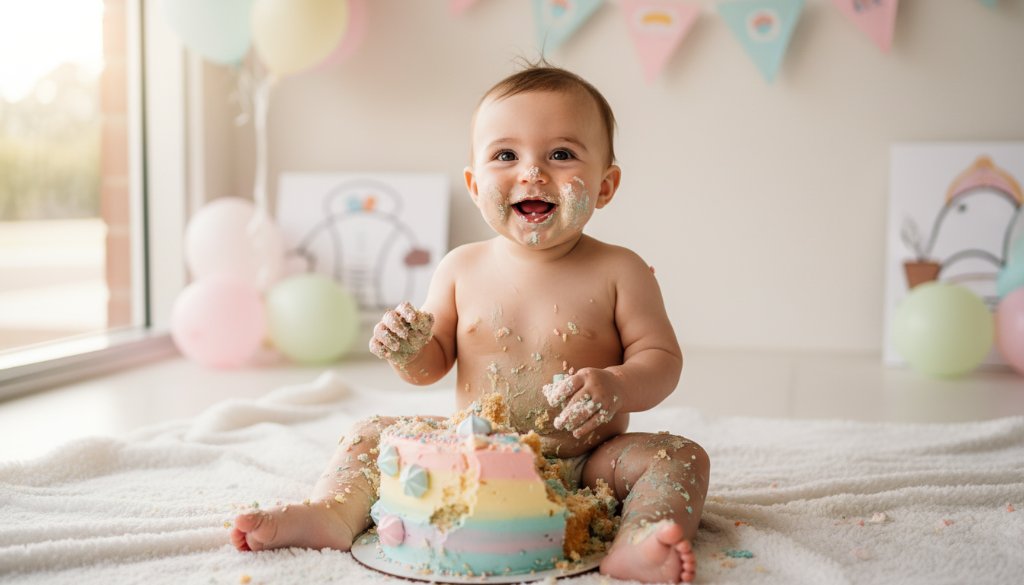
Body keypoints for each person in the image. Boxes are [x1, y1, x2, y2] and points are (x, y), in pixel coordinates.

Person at [231, 64, 710, 584]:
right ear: (474, 183)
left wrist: (616, 385)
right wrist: (410, 350)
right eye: (506, 155)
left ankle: (640, 538)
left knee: (679, 457)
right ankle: (331, 513)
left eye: (561, 154)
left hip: (590, 462)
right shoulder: (461, 268)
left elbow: (661, 361)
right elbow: (430, 367)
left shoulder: (622, 270)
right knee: (370, 433)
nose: (532, 172)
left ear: (605, 186)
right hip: (472, 449)